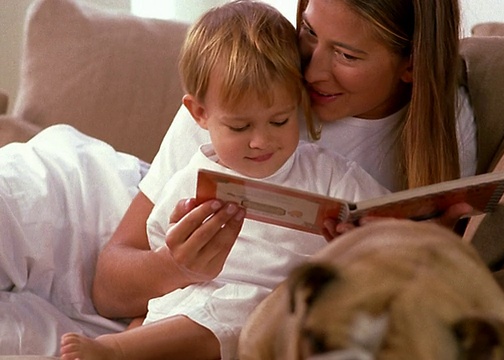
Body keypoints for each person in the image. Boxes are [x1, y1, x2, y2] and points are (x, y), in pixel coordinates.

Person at [92, 0, 475, 349]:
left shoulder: (442, 125)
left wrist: (416, 253)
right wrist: (172, 267)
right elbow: (110, 287)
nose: (309, 69)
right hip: (192, 301)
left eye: (346, 54)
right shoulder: (238, 90)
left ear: (411, 64)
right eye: (309, 32)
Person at [59, 1, 390, 359]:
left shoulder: (329, 173)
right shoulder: (194, 175)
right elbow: (153, 251)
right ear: (200, 114)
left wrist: (365, 242)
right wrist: (176, 259)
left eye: (280, 121)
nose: (261, 141)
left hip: (264, 309)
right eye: (239, 127)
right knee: (159, 314)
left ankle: (118, 351)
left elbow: (392, 222)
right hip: (189, 297)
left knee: (252, 307)